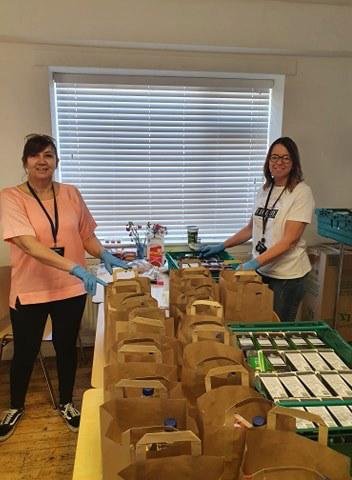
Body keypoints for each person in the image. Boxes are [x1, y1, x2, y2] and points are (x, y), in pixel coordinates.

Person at [0, 134, 128, 441]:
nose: (42, 161)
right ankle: (15, 405)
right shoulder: (11, 197)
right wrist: (73, 266)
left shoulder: (70, 193)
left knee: (66, 348)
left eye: (48, 155)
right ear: (25, 162)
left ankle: (67, 402)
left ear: (56, 161)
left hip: (70, 289)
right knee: (26, 352)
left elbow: (85, 236)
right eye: (35, 156)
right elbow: (28, 244)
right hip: (31, 289)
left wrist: (104, 254)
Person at [199, 136, 315, 322]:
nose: (279, 162)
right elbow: (250, 229)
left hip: (286, 276)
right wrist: (222, 245)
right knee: (258, 323)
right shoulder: (265, 190)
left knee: (277, 331)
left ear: (294, 163)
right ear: (268, 161)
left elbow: (289, 240)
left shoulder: (301, 192)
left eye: (286, 158)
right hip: (262, 272)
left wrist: (253, 263)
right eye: (274, 157)